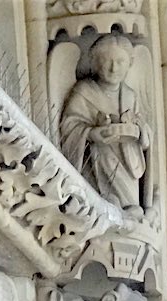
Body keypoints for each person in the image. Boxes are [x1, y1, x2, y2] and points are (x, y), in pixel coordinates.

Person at [60, 33, 152, 214]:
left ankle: (129, 209)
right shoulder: (84, 91)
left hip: (127, 159)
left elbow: (143, 127)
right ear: (95, 63)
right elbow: (69, 126)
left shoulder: (130, 95)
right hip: (98, 160)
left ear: (130, 64)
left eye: (120, 62)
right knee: (112, 204)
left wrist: (139, 130)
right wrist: (92, 134)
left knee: (132, 208)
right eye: (106, 61)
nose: (113, 68)